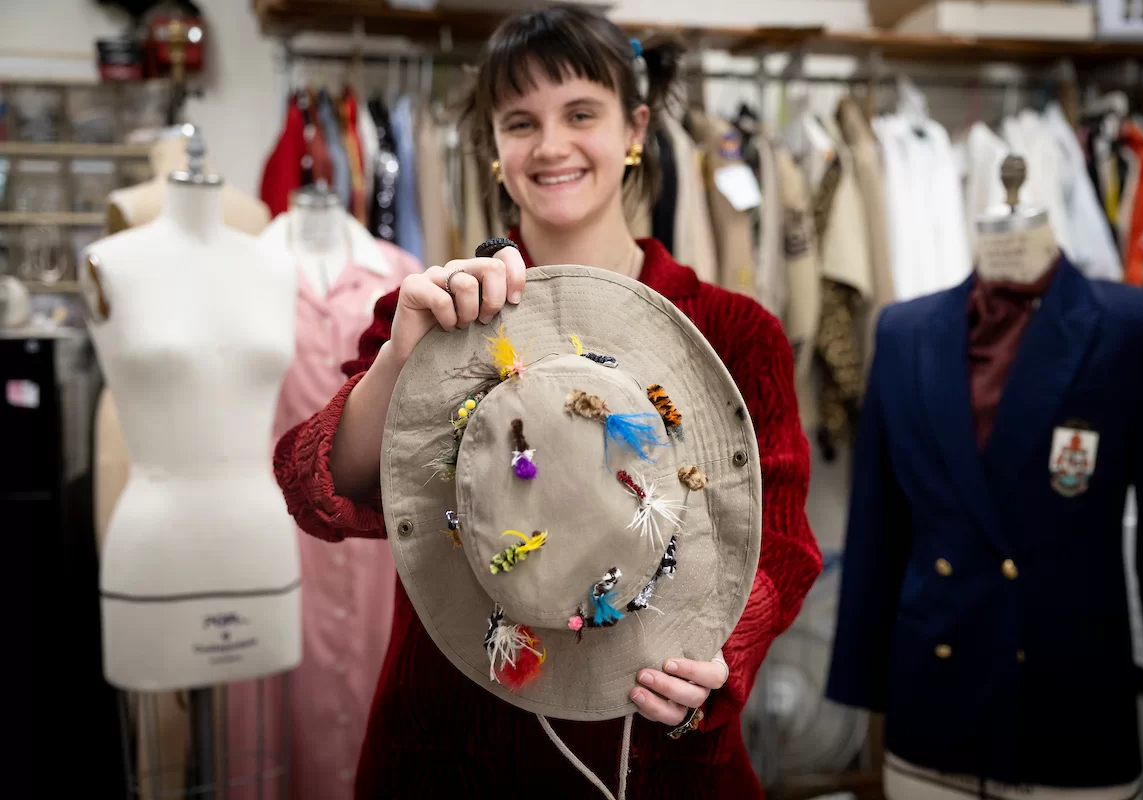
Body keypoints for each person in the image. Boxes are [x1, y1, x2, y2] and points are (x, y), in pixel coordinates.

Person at [273, 5, 822, 796]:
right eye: (521, 121)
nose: (552, 145)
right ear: (494, 147)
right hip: (452, 745)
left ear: (634, 128)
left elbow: (782, 544)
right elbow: (313, 487)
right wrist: (403, 357)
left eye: (581, 114)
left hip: (654, 746)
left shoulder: (732, 331)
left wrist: (719, 659)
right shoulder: (439, 313)